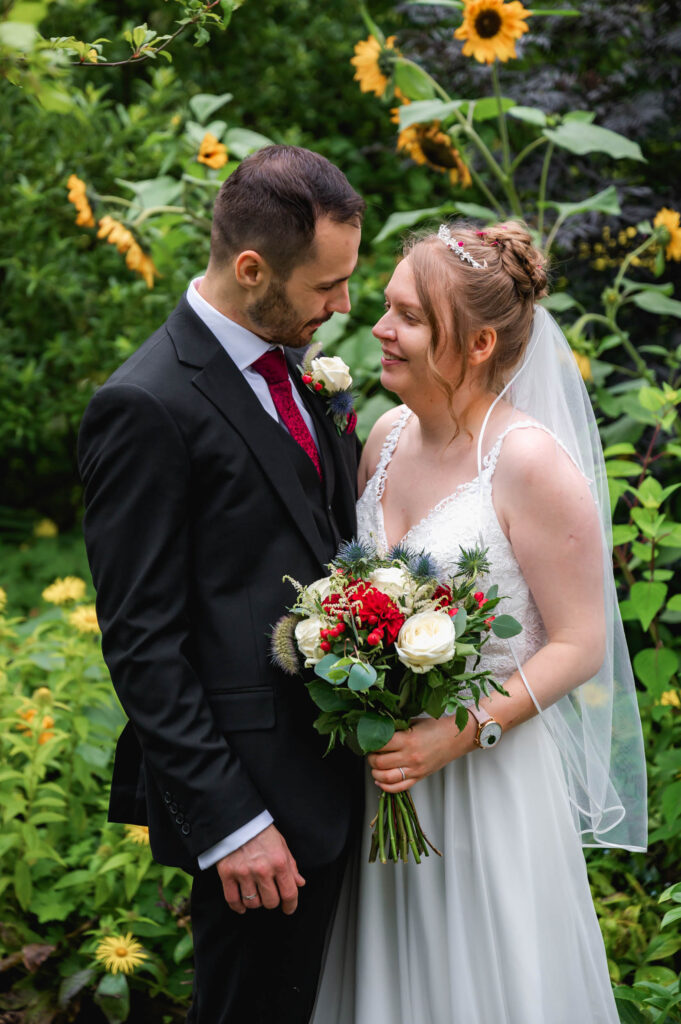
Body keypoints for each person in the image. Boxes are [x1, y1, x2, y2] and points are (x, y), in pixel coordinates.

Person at [311, 221, 646, 1023]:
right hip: (383, 783)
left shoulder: (530, 463)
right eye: (386, 309)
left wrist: (459, 732)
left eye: (409, 317)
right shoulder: (384, 440)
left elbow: (580, 642)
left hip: (485, 786)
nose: (379, 330)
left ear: (479, 342)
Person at [78, 145, 366, 1024]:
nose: (344, 305)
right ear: (251, 270)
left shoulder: (304, 372)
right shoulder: (145, 405)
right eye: (326, 286)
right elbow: (141, 642)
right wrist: (232, 823)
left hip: (342, 787)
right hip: (258, 815)